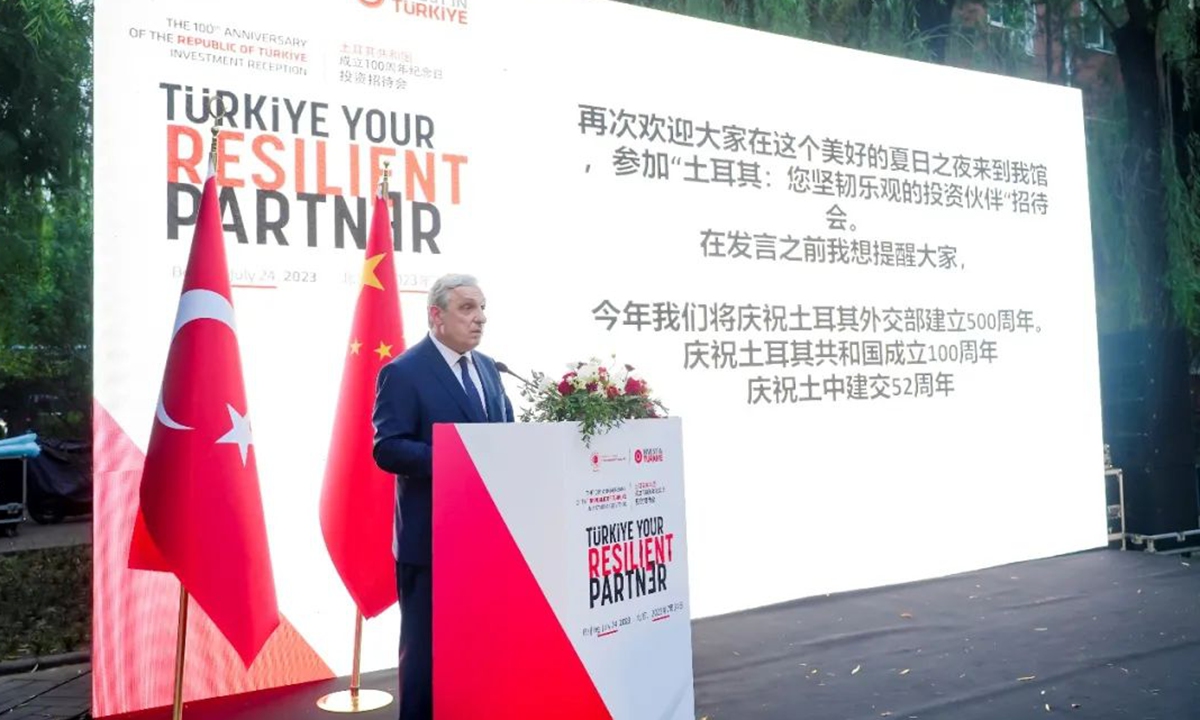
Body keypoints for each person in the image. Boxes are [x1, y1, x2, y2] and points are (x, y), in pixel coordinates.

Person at [372, 273, 514, 720]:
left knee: (481, 652)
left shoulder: (489, 368)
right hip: (431, 540)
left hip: (486, 537)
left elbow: (505, 435)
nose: (480, 318)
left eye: (482, 308)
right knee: (426, 657)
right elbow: (387, 448)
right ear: (436, 315)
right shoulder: (403, 372)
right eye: (468, 308)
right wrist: (454, 459)